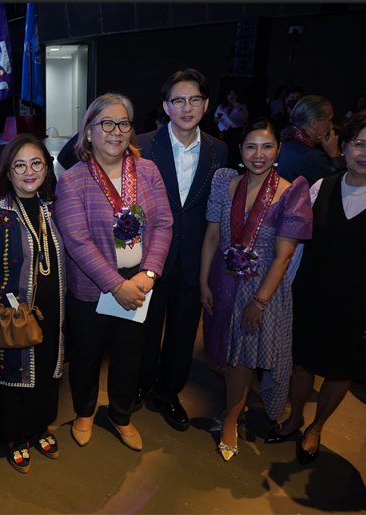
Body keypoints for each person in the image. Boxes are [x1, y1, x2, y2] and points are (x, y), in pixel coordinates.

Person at [265, 111, 366, 464]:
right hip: (310, 295)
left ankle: (316, 427)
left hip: (359, 305)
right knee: (301, 363)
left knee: (341, 371)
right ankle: (296, 417)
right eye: (359, 144)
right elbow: (298, 247)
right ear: (343, 147)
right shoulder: (321, 187)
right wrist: (284, 291)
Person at [56, 93, 173, 452]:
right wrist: (115, 284)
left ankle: (121, 415)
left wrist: (149, 274)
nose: (116, 131)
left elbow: (164, 224)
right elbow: (76, 241)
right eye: (106, 123)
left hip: (139, 282)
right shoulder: (73, 180)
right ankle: (85, 412)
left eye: (123, 123)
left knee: (129, 354)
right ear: (89, 132)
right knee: (87, 355)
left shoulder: (148, 171)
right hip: (93, 288)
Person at [199, 118, 312, 461]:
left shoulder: (291, 192)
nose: (258, 154)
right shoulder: (226, 183)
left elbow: (283, 256)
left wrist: (260, 302)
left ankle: (231, 420)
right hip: (222, 280)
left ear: (279, 149)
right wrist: (204, 282)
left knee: (244, 356)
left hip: (262, 286)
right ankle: (237, 405)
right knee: (226, 350)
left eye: (267, 147)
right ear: (240, 149)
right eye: (251, 146)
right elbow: (213, 236)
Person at [134, 69, 228, 431]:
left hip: (194, 258)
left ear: (206, 104)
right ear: (165, 106)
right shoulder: (142, 145)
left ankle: (168, 391)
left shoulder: (219, 149)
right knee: (145, 328)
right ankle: (142, 382)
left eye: (194, 100)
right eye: (178, 100)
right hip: (150, 256)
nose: (186, 107)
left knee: (184, 332)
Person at [0, 134, 66, 473]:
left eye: (36, 163)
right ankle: (15, 435)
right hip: (10, 316)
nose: (29, 172)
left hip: (51, 311)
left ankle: (39, 426)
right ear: (8, 172)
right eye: (20, 165)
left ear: (46, 167)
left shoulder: (50, 208)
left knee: (46, 372)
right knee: (14, 377)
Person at [277, 95, 345, 185]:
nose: (331, 126)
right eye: (329, 120)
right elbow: (343, 187)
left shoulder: (281, 144)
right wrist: (335, 154)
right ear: (314, 123)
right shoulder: (315, 158)